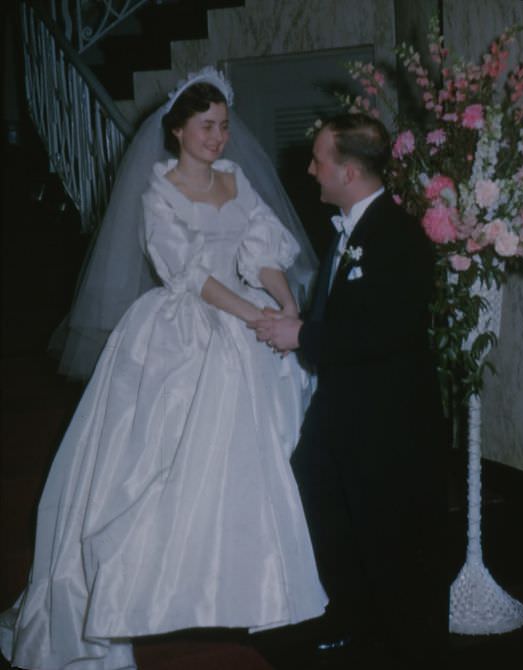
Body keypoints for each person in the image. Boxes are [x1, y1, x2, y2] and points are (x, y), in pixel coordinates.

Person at [0, 68, 327, 670]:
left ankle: (244, 574)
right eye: (206, 127)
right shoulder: (158, 194)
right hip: (188, 326)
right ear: (177, 129)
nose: (219, 138)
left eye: (224, 127)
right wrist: (253, 317)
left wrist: (281, 304)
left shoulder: (235, 180)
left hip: (248, 316)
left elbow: (263, 249)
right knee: (150, 463)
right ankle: (129, 587)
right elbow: (192, 277)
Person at [250, 113, 448, 666]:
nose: (310, 169)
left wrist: (303, 336)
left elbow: (389, 329)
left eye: (319, 160)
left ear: (351, 171)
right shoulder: (346, 228)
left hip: (386, 420)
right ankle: (349, 616)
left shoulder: (398, 235)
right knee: (320, 497)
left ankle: (404, 642)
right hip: (342, 409)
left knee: (387, 536)